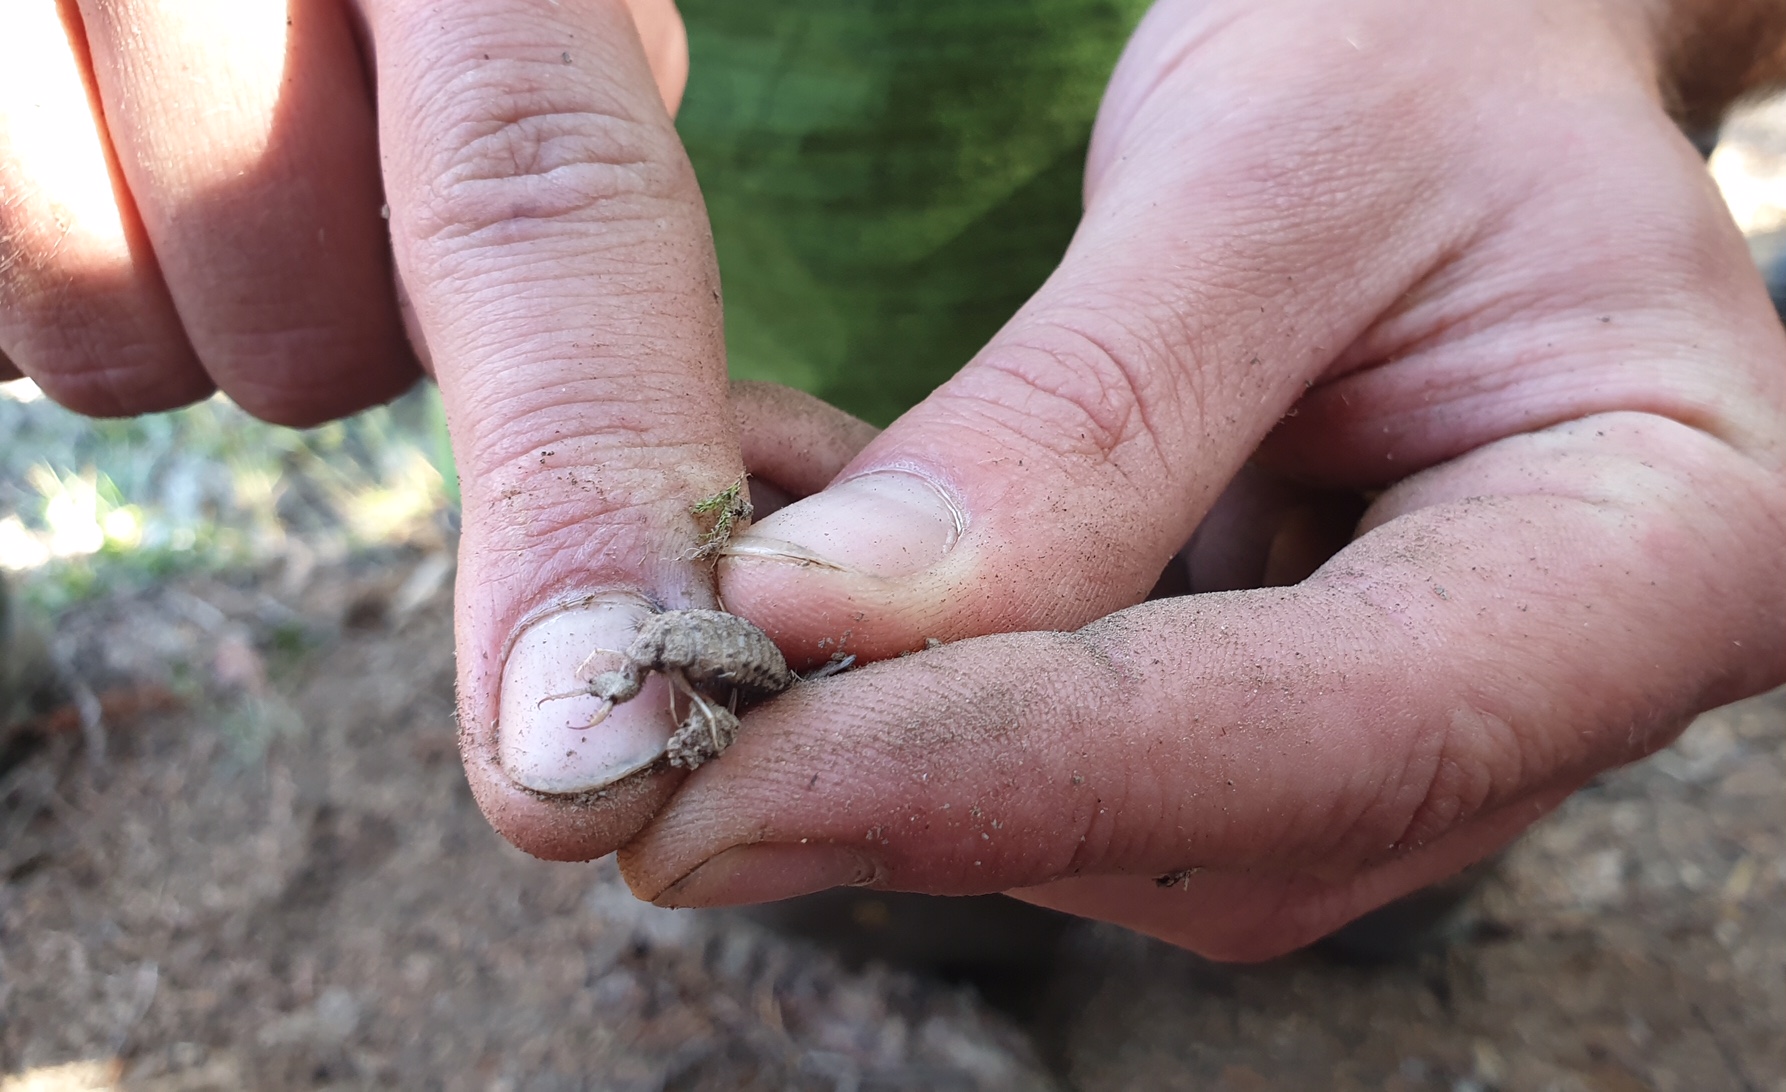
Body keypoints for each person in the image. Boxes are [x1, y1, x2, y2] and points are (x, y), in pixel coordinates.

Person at [2, 0, 1784, 962]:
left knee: (1363, 840)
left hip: (1355, 378)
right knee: (882, 870)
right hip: (758, 423)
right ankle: (922, 956)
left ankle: (1381, 932)